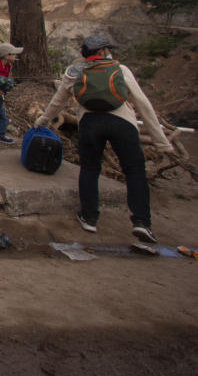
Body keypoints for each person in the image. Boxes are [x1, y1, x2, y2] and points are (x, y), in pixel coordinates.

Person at [35, 34, 173, 243]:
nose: (110, 52)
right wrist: (161, 140)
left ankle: (89, 218)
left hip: (90, 124)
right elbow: (143, 105)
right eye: (108, 49)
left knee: (90, 169)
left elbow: (57, 102)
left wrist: (42, 122)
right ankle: (141, 222)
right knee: (135, 171)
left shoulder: (74, 72)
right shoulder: (121, 70)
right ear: (101, 52)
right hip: (123, 124)